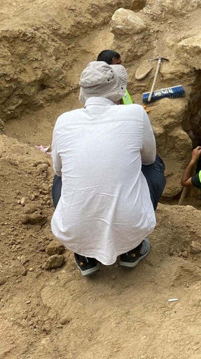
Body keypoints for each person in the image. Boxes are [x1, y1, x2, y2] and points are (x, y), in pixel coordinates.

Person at [50, 61, 166, 276]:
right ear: (117, 92)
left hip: (74, 231)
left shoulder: (64, 121)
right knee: (155, 165)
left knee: (60, 179)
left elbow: (58, 170)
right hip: (130, 226)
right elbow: (149, 159)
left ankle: (84, 255)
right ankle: (132, 249)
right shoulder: (135, 114)